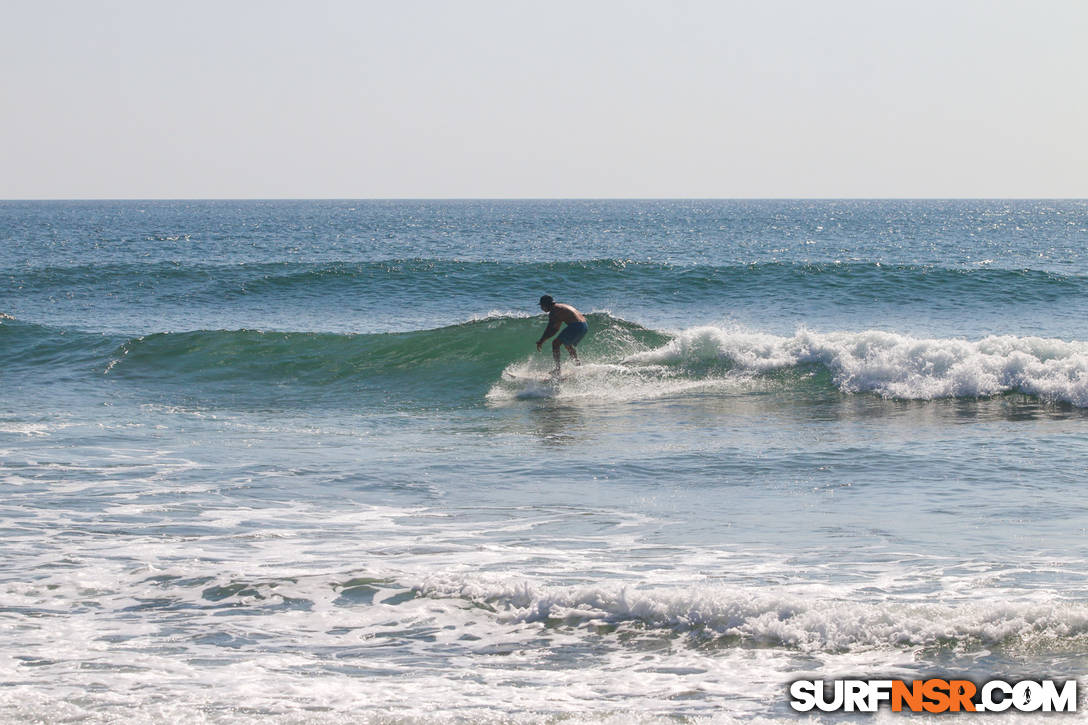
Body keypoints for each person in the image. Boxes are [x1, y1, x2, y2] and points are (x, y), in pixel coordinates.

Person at [535, 295, 588, 374]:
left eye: (542, 306)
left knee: (555, 344)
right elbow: (556, 328)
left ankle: (558, 369)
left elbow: (552, 329)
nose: (541, 308)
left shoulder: (554, 311)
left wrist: (541, 341)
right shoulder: (559, 307)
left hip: (576, 326)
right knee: (567, 344)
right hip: (584, 326)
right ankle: (578, 365)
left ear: (546, 305)